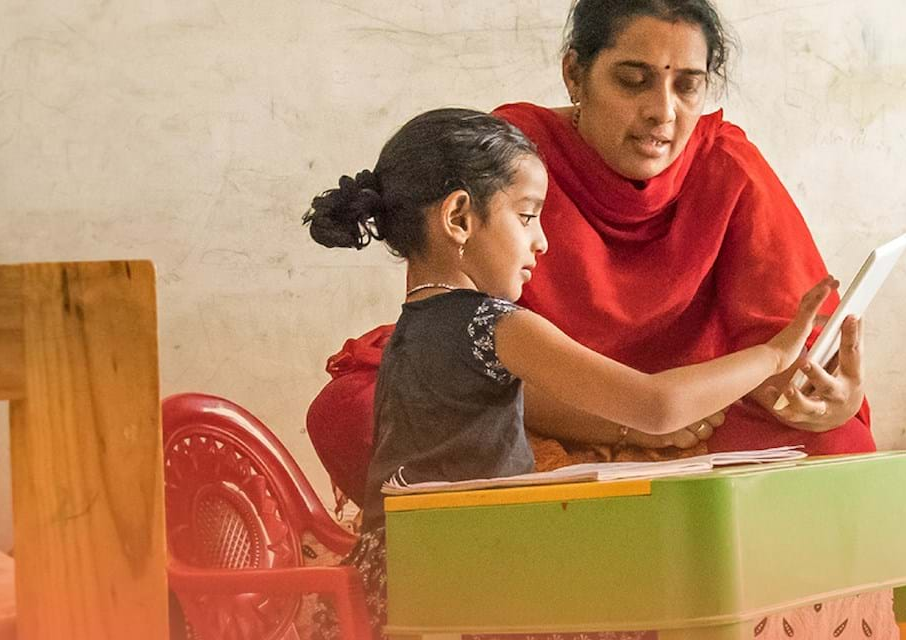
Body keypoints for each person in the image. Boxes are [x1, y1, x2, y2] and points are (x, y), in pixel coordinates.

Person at [301, 107, 834, 630]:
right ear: (459, 217)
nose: (543, 240)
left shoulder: (409, 331)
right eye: (528, 215)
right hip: (470, 589)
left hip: (393, 584)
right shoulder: (496, 325)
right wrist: (774, 356)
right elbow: (655, 405)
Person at [307, 0, 871, 493]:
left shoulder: (728, 167)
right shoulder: (514, 162)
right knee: (349, 408)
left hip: (699, 418)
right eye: (633, 79)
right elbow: (462, 368)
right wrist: (616, 425)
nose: (663, 111)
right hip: (545, 412)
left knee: (839, 445)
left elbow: (791, 344)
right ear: (575, 74)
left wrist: (826, 398)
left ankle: (590, 524)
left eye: (687, 84)